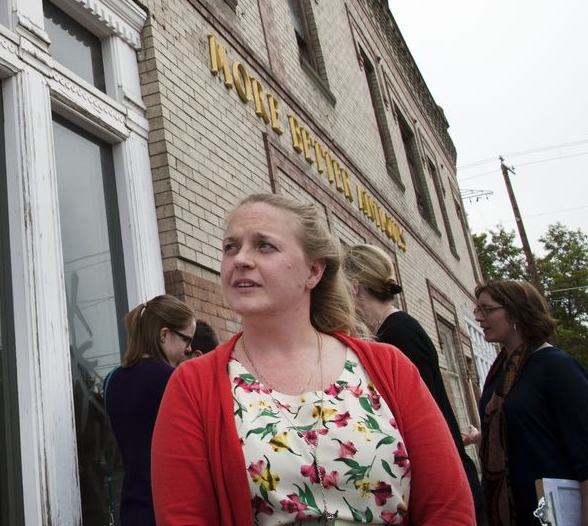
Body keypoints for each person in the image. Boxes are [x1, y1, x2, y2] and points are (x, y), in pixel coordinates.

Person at [151, 192, 473, 525]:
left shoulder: (388, 368)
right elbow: (183, 516)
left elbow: (448, 507)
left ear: (314, 271)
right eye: (230, 247)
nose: (240, 259)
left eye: (264, 246)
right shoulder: (194, 384)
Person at [345, 243, 486, 524]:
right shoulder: (397, 329)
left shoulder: (398, 335)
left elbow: (418, 417)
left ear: (356, 287)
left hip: (440, 490)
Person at [473, 279, 588, 526]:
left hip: (555, 513)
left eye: (487, 309)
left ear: (517, 311)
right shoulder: (499, 373)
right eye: (477, 310)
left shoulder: (556, 366)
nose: (479, 317)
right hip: (512, 512)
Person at [104, 295, 196, 526]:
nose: (190, 349)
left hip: (133, 507)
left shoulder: (111, 380)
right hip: (170, 510)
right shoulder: (173, 380)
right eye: (186, 340)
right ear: (164, 334)